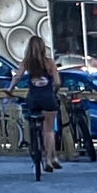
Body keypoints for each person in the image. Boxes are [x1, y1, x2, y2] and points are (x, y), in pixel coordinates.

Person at [19, 35, 61, 172]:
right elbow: (58, 82)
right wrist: (53, 91)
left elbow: (17, 76)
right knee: (48, 130)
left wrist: (10, 89)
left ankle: (36, 146)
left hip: (34, 98)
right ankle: (49, 159)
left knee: (34, 122)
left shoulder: (27, 63)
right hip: (48, 98)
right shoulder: (50, 63)